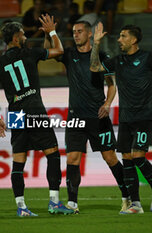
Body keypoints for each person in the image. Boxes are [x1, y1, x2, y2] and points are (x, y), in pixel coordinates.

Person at [0, 15, 74, 217]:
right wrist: (52, 31)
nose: (26, 37)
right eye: (23, 35)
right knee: (52, 153)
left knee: (19, 160)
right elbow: (59, 51)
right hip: (34, 109)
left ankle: (21, 207)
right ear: (16, 38)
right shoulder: (29, 54)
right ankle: (54, 202)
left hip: (15, 114)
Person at [44, 20, 129, 214]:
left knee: (110, 158)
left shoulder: (102, 56)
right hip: (75, 116)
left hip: (97, 117)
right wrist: (49, 33)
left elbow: (112, 84)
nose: (75, 35)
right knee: (72, 158)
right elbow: (47, 52)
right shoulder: (69, 54)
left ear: (89, 34)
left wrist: (107, 104)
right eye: (74, 32)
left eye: (80, 31)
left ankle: (127, 196)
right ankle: (72, 203)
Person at [90, 23, 152, 214]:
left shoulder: (149, 58)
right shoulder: (118, 61)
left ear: (134, 40)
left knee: (137, 156)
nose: (119, 40)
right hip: (126, 118)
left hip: (144, 116)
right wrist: (96, 43)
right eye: (119, 36)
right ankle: (135, 204)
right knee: (126, 158)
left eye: (123, 36)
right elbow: (94, 67)